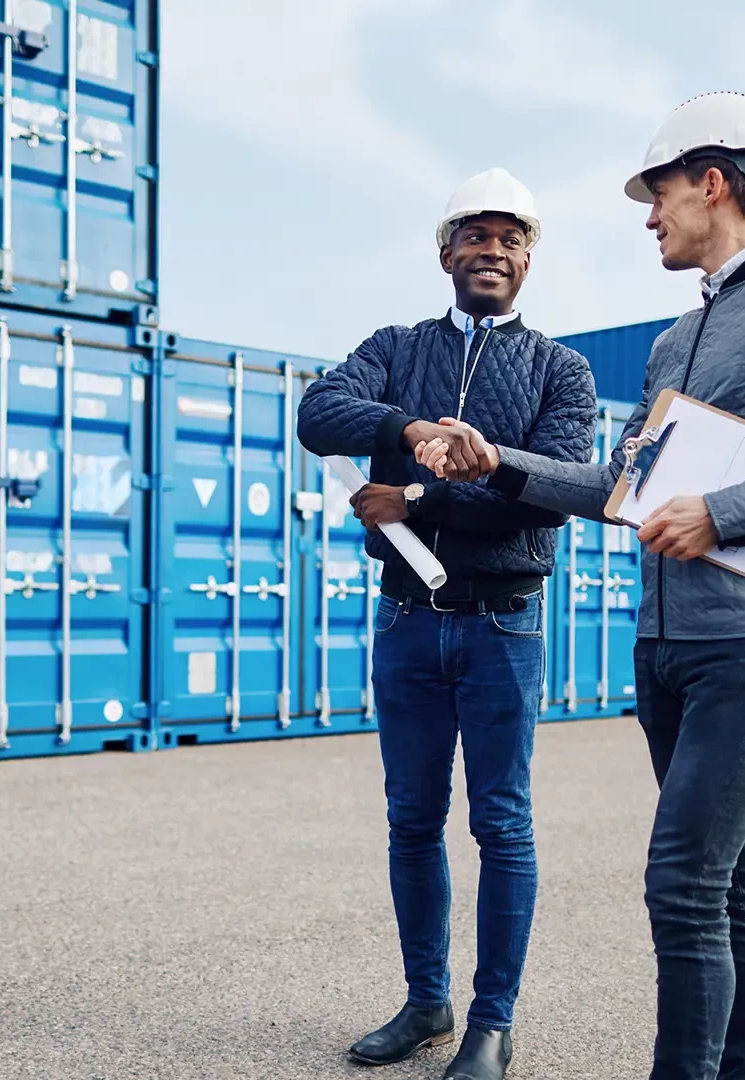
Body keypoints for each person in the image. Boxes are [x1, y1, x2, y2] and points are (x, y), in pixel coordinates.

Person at [417, 93, 745, 1080]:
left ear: (711, 181)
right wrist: (499, 465)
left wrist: (723, 514)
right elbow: (626, 490)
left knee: (682, 885)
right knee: (731, 882)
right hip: (667, 641)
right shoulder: (670, 342)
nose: (648, 217)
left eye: (657, 196)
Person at [296, 167, 599, 1080]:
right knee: (411, 819)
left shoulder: (562, 369)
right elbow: (318, 413)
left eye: (512, 238)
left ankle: (491, 1022)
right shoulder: (395, 345)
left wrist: (418, 491)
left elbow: (550, 494)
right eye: (477, 234)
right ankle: (426, 999)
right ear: (446, 251)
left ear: (530, 257)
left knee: (501, 824)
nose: (493, 251)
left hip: (506, 625)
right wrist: (415, 426)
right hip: (406, 622)